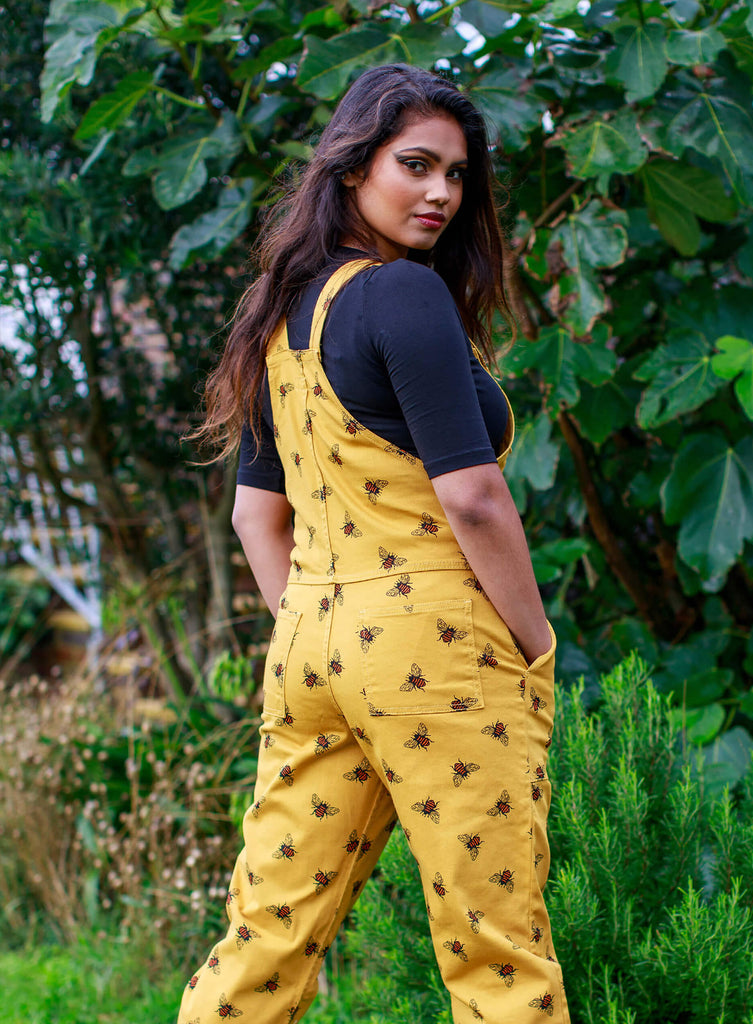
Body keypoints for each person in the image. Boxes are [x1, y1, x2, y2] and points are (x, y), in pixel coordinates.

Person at [179, 63, 570, 1024]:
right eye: (416, 165)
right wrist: (532, 645)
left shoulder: (281, 315)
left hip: (311, 644)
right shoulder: (404, 295)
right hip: (439, 652)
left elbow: (253, 518)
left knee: (266, 936)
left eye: (457, 174)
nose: (440, 192)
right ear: (352, 166)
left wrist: (331, 629)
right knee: (496, 951)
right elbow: (473, 498)